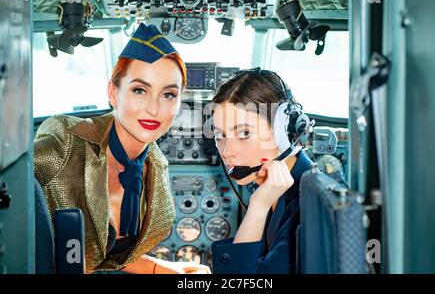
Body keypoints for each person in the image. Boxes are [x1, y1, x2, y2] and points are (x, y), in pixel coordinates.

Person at [34, 23, 210, 274]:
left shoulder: (155, 165)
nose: (154, 108)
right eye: (140, 90)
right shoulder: (66, 139)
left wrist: (162, 269)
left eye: (168, 94)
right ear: (113, 93)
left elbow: (102, 254)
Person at [210, 68, 313, 274]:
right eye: (220, 135)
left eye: (244, 133)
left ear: (284, 132)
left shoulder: (306, 211)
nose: (227, 151)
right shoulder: (272, 186)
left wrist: (258, 205)